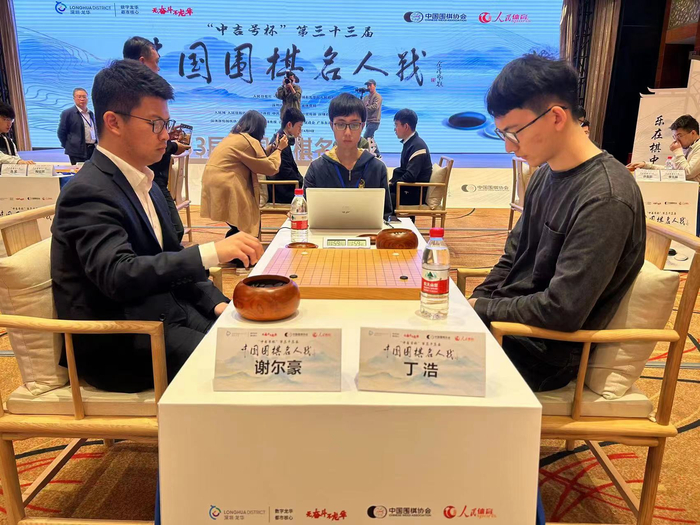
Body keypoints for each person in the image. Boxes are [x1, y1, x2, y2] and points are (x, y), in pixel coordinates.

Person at [51, 60, 263, 393]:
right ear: (113, 122)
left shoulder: (146, 181)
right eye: (155, 124)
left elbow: (170, 255)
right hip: (121, 341)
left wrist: (215, 302)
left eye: (167, 123)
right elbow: (119, 275)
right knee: (244, 366)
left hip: (166, 314)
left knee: (255, 344)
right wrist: (210, 252)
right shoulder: (87, 192)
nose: (166, 135)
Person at [468, 54, 645, 393]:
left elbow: (563, 310)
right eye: (501, 134)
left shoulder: (605, 198)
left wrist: (483, 308)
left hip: (541, 354)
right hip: (508, 331)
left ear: (556, 117)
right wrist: (476, 303)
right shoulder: (544, 175)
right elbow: (512, 257)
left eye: (513, 133)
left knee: (411, 370)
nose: (507, 147)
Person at [124, 36, 190, 242]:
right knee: (171, 232)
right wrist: (172, 146)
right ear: (142, 62)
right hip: (150, 176)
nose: (159, 69)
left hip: (153, 176)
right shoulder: (131, 95)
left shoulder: (139, 94)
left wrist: (166, 136)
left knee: (170, 233)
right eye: (157, 62)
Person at [201, 110, 288, 238]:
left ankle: (235, 246)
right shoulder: (249, 142)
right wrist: (279, 149)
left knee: (238, 225)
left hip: (214, 181)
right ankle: (238, 249)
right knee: (247, 226)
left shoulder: (234, 137)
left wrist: (273, 148)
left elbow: (257, 158)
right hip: (228, 183)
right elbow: (270, 168)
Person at [304, 93, 391, 216]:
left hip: (367, 229)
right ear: (331, 126)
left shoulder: (377, 168)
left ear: (362, 126)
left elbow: (386, 215)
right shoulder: (317, 168)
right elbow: (305, 214)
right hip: (325, 229)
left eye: (354, 125)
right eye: (341, 124)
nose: (348, 132)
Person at [389, 108, 433, 210]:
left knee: (384, 199)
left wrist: (392, 186)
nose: (395, 129)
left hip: (415, 194)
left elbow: (410, 176)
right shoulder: (411, 143)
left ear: (406, 126)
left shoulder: (418, 147)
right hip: (410, 190)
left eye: (396, 125)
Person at [267, 108, 305, 204]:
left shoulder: (282, 138)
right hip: (281, 192)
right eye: (299, 127)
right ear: (289, 125)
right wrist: (302, 182)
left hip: (284, 188)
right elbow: (286, 170)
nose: (300, 131)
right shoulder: (280, 141)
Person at [57, 87, 98, 164]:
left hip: (92, 149)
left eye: (84, 97)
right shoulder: (68, 113)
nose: (82, 99)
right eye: (79, 97)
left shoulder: (90, 113)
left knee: (91, 170)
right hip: (77, 151)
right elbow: (61, 132)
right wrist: (69, 145)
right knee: (79, 170)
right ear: (74, 98)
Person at [362, 79, 382, 158]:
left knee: (366, 137)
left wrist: (365, 108)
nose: (368, 87)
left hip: (375, 121)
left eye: (370, 85)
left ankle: (363, 154)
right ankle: (377, 154)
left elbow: (375, 107)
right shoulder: (365, 97)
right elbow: (362, 106)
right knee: (370, 138)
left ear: (375, 86)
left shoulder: (378, 96)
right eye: (367, 85)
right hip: (368, 120)